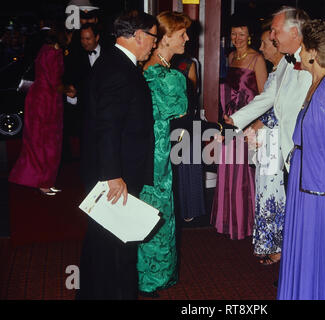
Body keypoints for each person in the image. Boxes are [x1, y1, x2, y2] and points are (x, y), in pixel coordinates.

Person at [77, 11, 158, 300]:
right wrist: (113, 176)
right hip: (114, 175)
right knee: (114, 246)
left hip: (115, 170)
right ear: (137, 36)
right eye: (152, 37)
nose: (154, 44)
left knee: (106, 244)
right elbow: (107, 126)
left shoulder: (115, 62)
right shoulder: (117, 68)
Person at [276, 20, 325, 300]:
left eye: (303, 47)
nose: (298, 53)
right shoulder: (313, 83)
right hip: (301, 178)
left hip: (321, 189)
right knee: (299, 249)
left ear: (314, 53)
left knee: (314, 251)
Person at [225, 6, 312, 188]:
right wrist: (235, 120)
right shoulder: (284, 64)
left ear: (294, 32)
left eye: (275, 31)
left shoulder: (311, 63)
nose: (271, 36)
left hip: (303, 154)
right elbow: (267, 97)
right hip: (287, 152)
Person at [137, 11, 190, 297]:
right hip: (158, 153)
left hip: (152, 149)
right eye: (182, 34)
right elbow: (181, 112)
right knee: (158, 212)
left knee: (151, 209)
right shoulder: (171, 78)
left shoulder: (144, 68)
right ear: (166, 38)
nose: (187, 39)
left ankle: (147, 275)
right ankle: (152, 279)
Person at [210, 14, 268, 240]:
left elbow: (264, 97)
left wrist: (254, 125)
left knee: (244, 176)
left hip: (246, 126)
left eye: (241, 34)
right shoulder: (230, 57)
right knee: (228, 171)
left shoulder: (257, 59)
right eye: (234, 33)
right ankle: (228, 221)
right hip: (229, 123)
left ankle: (246, 224)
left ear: (250, 35)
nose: (237, 38)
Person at [9, 24, 70, 196]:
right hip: (47, 102)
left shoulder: (45, 49)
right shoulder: (54, 54)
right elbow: (55, 84)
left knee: (37, 142)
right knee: (49, 143)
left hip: (38, 99)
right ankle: (44, 182)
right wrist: (72, 90)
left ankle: (41, 180)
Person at [246, 23, 286, 265]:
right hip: (265, 138)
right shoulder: (275, 71)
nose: (261, 48)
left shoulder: (288, 71)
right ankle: (269, 242)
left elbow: (277, 109)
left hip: (275, 138)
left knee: (273, 192)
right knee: (264, 190)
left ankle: (277, 246)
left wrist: (255, 126)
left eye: (264, 44)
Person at [170, 53, 206, 223]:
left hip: (185, 116)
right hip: (163, 120)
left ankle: (189, 207)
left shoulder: (188, 63)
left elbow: (191, 94)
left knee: (187, 160)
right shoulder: (153, 61)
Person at [63, 23, 104, 160]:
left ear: (97, 37)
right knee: (87, 150)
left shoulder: (110, 54)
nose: (84, 42)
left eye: (88, 39)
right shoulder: (74, 57)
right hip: (85, 111)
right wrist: (72, 96)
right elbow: (71, 83)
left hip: (107, 109)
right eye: (82, 39)